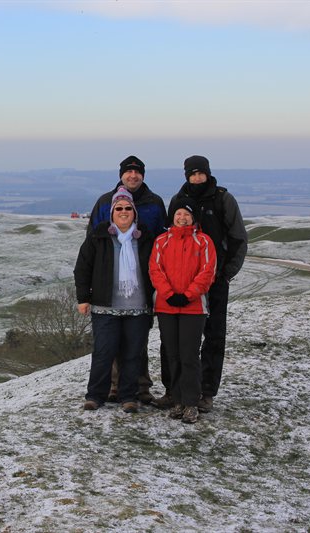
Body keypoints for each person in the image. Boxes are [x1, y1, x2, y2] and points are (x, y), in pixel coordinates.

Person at [153, 155, 248, 413]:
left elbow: (238, 237)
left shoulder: (222, 199)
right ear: (186, 175)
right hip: (176, 287)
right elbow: (168, 238)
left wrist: (227, 273)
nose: (197, 178)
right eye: (192, 174)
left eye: (200, 174)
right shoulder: (177, 200)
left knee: (213, 336)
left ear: (208, 173)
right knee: (173, 341)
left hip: (214, 282)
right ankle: (173, 390)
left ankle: (206, 392)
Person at [87, 156, 166, 403]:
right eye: (128, 172)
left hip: (141, 284)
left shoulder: (154, 202)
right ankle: (113, 387)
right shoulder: (104, 201)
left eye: (137, 172)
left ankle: (139, 389)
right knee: (109, 345)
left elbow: (162, 238)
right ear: (121, 174)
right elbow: (93, 240)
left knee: (136, 344)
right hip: (111, 286)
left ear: (143, 175)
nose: (133, 175)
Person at [75, 187, 155, 413]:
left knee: (133, 354)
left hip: (138, 308)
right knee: (104, 352)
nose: (123, 211)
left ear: (134, 212)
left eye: (128, 208)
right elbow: (82, 268)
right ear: (111, 213)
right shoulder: (98, 236)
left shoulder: (146, 238)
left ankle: (128, 396)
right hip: (104, 307)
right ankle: (95, 395)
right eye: (118, 208)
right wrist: (83, 298)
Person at [149, 197, 216, 423]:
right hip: (167, 306)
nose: (182, 218)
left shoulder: (204, 242)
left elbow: (207, 272)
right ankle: (176, 399)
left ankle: (191, 402)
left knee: (189, 355)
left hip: (193, 307)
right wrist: (169, 294)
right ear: (172, 217)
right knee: (172, 354)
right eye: (178, 214)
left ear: (193, 217)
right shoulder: (161, 241)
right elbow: (155, 270)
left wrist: (188, 295)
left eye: (186, 214)